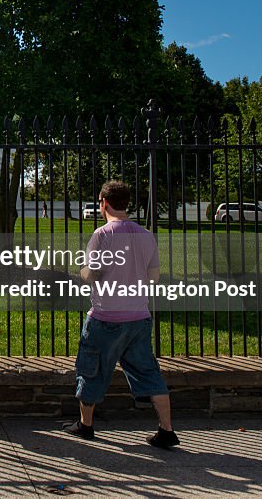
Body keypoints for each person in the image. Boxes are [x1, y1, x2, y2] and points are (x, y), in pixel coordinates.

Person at [63, 180, 180, 449]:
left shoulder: (102, 235)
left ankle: (85, 425)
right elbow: (154, 277)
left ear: (103, 202)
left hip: (105, 317)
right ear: (127, 203)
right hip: (138, 316)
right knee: (148, 372)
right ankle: (167, 429)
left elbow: (92, 274)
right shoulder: (146, 235)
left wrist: (81, 271)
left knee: (90, 370)